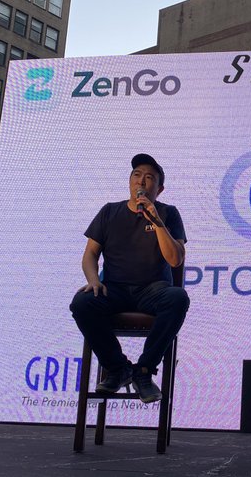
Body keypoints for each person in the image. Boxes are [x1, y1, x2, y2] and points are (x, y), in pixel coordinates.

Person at [70, 154, 189, 403]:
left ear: (159, 189)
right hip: (114, 289)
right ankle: (118, 368)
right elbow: (90, 254)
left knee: (178, 298)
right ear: (129, 182)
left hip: (153, 290)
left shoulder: (168, 213)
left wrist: (157, 222)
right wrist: (93, 279)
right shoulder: (109, 211)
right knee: (82, 303)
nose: (141, 182)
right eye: (137, 175)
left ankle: (144, 371)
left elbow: (175, 259)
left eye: (149, 178)